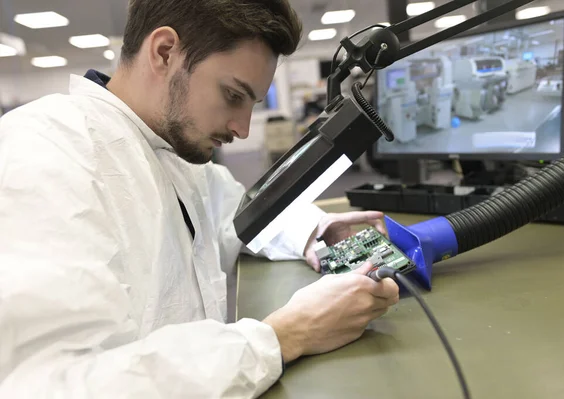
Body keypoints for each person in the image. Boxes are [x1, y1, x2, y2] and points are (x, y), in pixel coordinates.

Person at [0, 0, 400, 397]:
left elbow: (235, 215)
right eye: (232, 95)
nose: (242, 129)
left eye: (252, 104)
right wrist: (282, 337)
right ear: (164, 52)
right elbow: (49, 383)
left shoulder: (172, 153)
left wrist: (314, 229)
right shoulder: (43, 154)